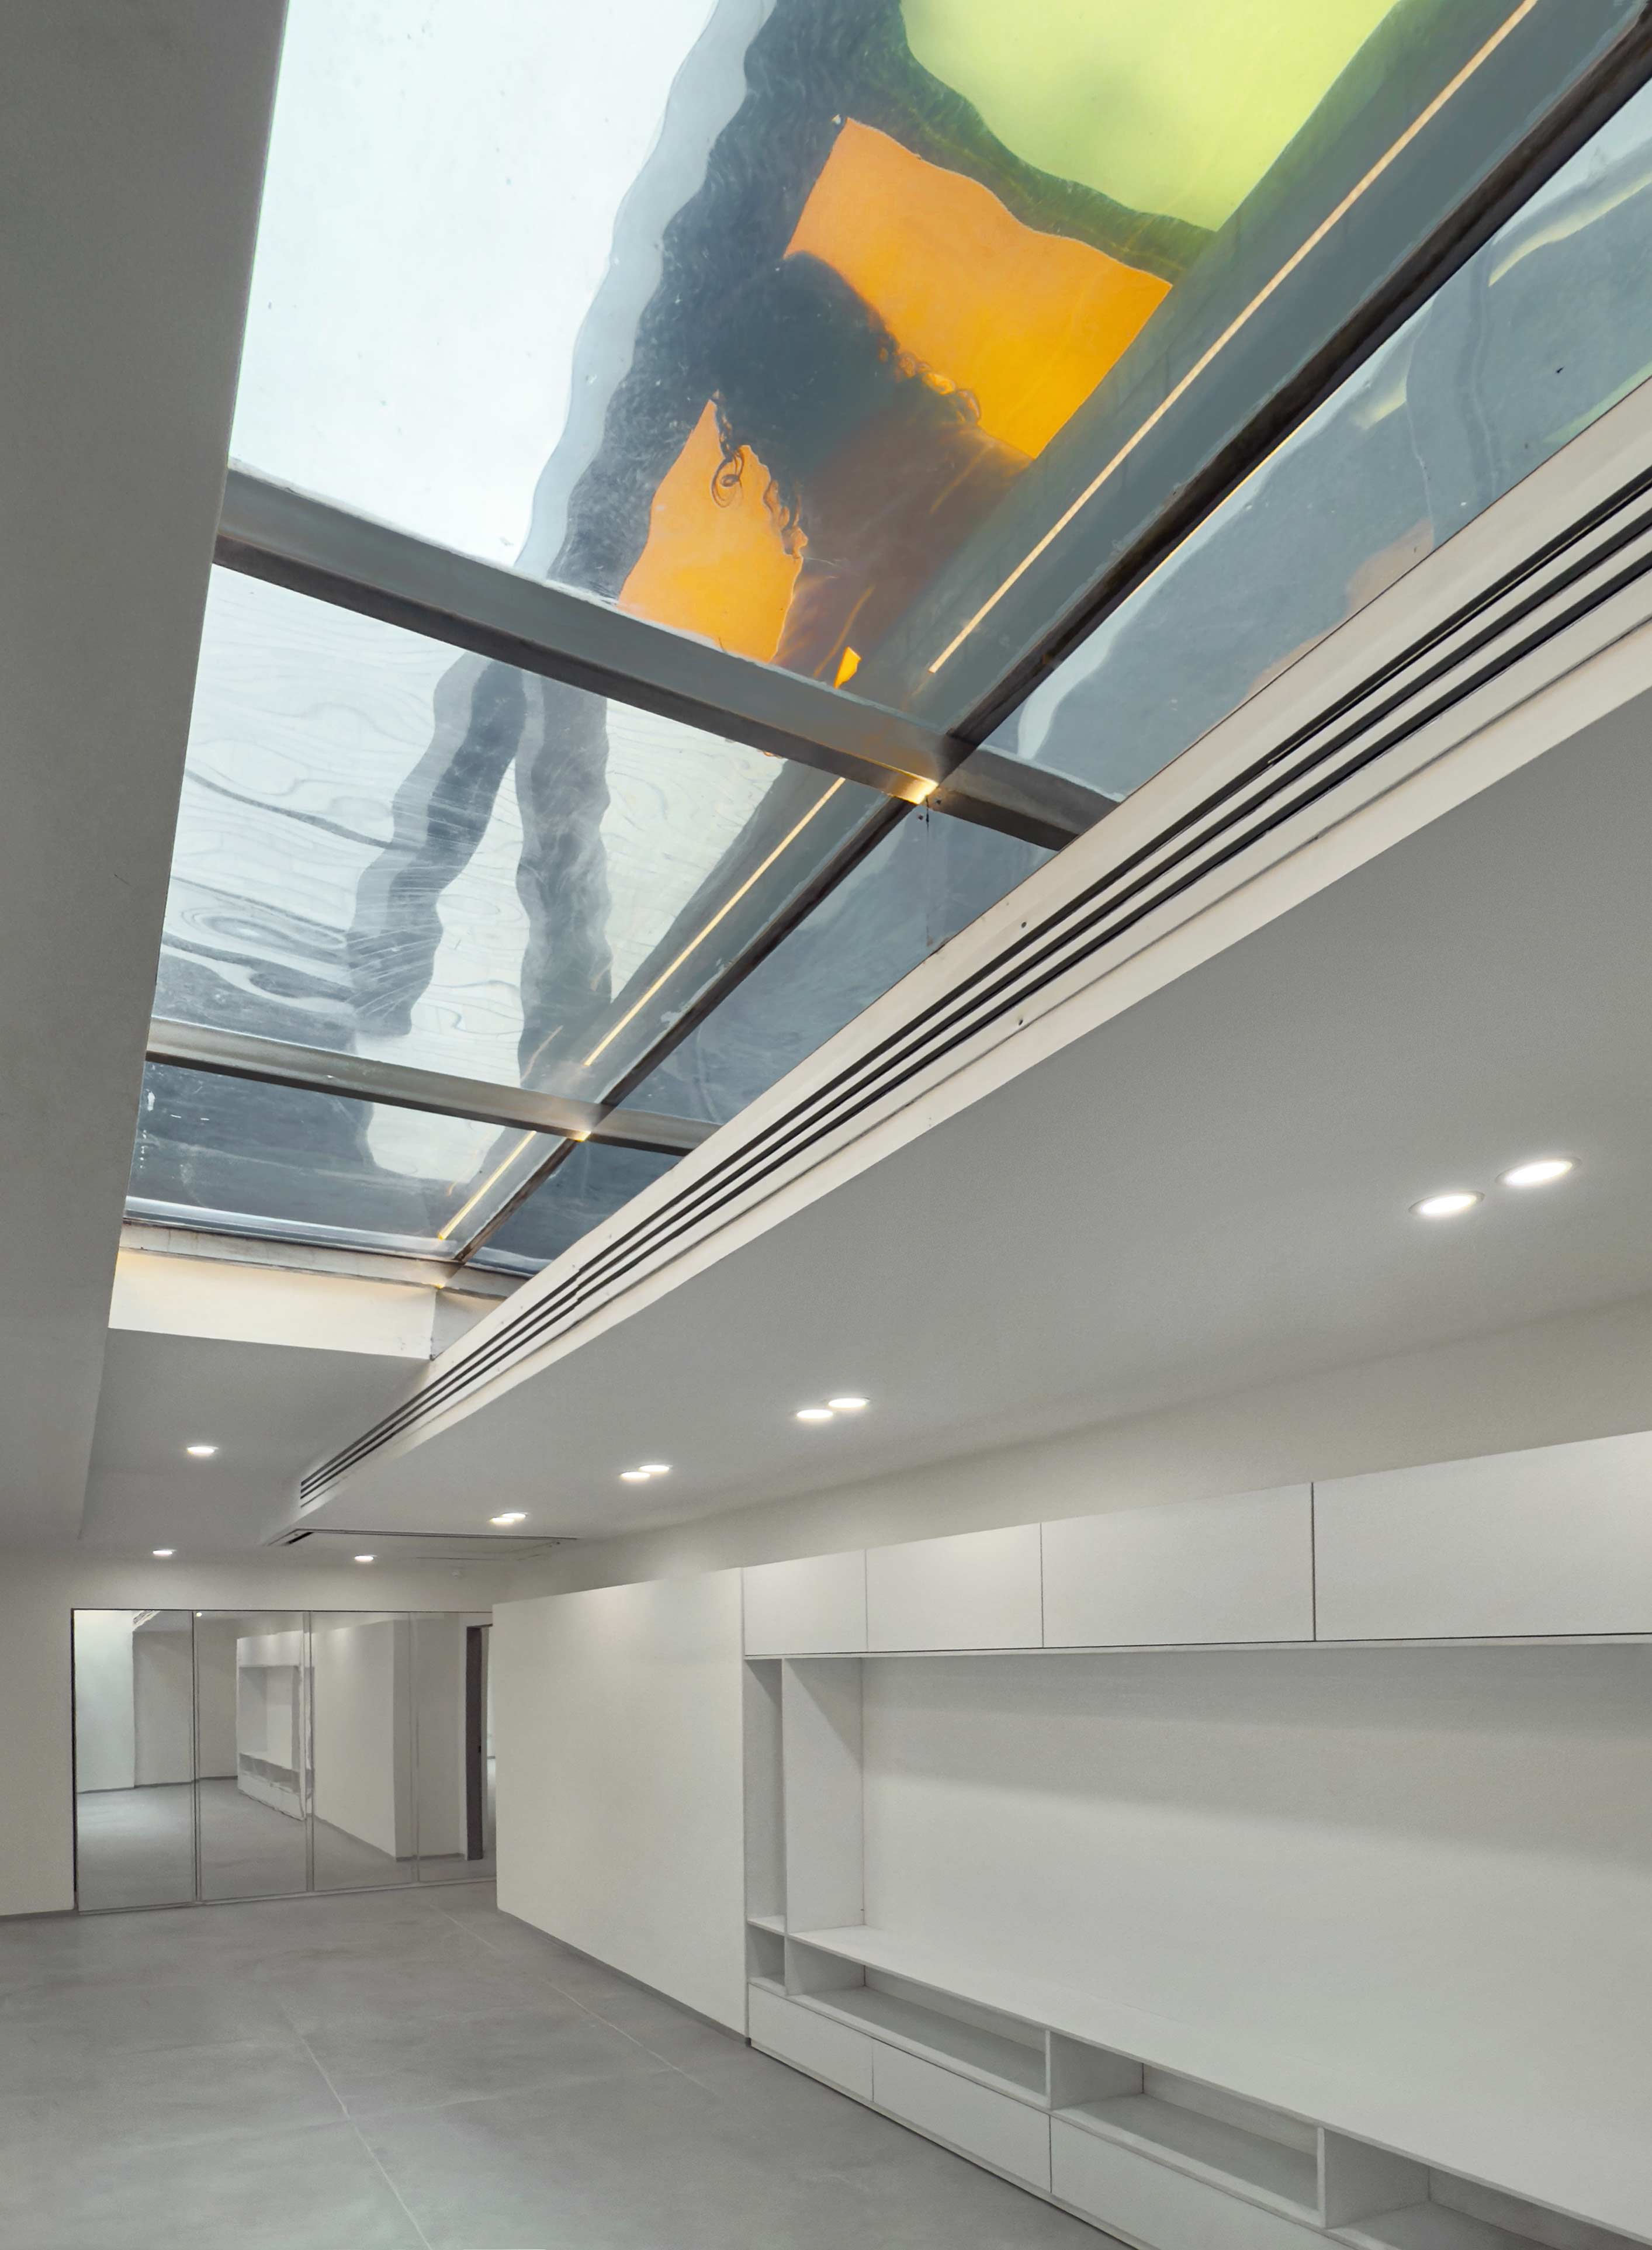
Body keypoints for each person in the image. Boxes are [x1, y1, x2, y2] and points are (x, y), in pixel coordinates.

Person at [706, 252, 1028, 683]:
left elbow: (788, 692)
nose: (744, 438)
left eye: (747, 409)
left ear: (786, 406)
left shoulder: (865, 513)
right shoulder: (936, 441)